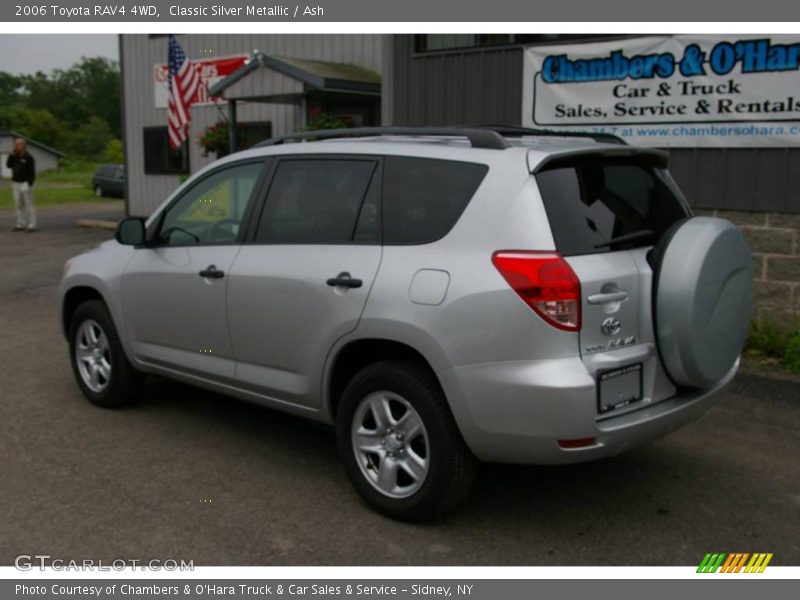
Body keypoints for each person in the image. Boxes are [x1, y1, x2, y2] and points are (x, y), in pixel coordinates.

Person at [6, 138, 37, 232]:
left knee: (28, 204)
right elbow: (8, 165)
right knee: (18, 204)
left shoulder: (28, 157)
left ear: (23, 145)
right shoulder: (14, 156)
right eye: (15, 144)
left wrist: (29, 183)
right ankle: (20, 223)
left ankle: (32, 224)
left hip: (25, 182)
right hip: (16, 182)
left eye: (18, 144)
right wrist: (11, 155)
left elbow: (32, 172)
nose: (16, 146)